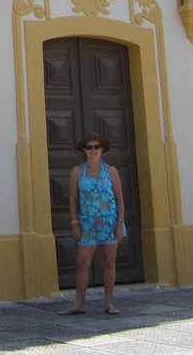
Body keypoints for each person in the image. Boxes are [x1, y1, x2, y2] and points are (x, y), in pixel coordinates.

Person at [59, 133, 126, 316]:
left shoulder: (111, 171)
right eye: (89, 147)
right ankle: (79, 303)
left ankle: (109, 302)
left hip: (109, 221)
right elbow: (73, 199)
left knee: (109, 262)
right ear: (84, 150)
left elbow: (119, 198)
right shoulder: (77, 172)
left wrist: (120, 223)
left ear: (102, 149)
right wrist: (74, 223)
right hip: (87, 223)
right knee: (82, 262)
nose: (93, 150)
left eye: (96, 147)